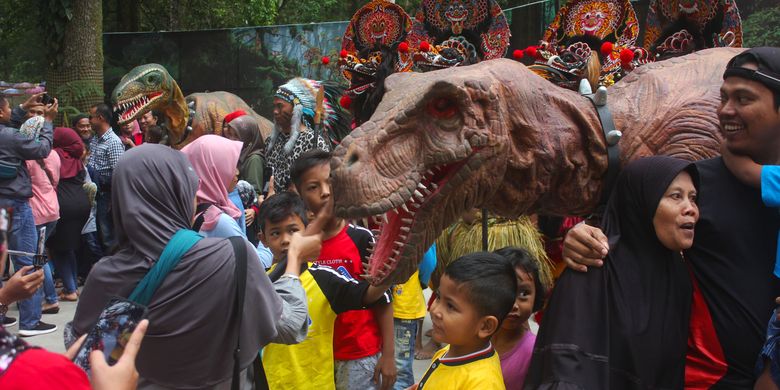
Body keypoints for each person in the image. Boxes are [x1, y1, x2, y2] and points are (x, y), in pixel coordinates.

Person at [561, 47, 780, 388]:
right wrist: (583, 240)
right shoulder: (692, 184)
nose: (725, 110)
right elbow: (627, 238)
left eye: (743, 99)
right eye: (723, 98)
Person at [67, 144, 309, 389]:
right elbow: (290, 326)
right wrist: (293, 264)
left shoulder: (103, 276)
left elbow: (83, 359)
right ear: (178, 194)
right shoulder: (231, 257)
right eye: (192, 189)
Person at [527, 156, 698, 389]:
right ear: (641, 201)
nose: (691, 209)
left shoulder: (677, 276)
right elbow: (567, 367)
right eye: (675, 196)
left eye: (693, 198)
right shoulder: (593, 265)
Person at [259, 191, 393, 389]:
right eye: (276, 233)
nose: (286, 240)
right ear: (263, 239)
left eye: (293, 230)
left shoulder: (325, 278)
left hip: (317, 384)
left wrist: (393, 271)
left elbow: (368, 295)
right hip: (272, 382)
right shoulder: (261, 282)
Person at [291, 149, 397, 390]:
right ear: (299, 193)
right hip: (314, 352)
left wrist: (389, 355)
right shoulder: (300, 244)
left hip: (359, 353)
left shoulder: (362, 239)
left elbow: (383, 299)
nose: (325, 192)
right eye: (313, 187)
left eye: (330, 182)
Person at [0, 92, 59, 336]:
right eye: (7, 107)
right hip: (15, 204)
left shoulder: (8, 135)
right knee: (28, 259)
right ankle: (31, 321)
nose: (11, 110)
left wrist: (23, 107)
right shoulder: (10, 137)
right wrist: (47, 121)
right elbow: (42, 149)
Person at [414, 252, 515, 390]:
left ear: (485, 326)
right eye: (438, 297)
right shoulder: (450, 349)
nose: (435, 310)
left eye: (450, 306)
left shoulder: (483, 384)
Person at [266, 78, 341, 191]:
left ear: (297, 109)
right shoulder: (270, 142)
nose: (275, 111)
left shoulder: (311, 140)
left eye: (280, 106)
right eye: (274, 106)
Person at [492, 247, 547, 390]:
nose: (514, 305)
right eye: (503, 292)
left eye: (524, 293)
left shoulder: (533, 351)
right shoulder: (474, 339)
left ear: (536, 297)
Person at [47, 127, 90, 302]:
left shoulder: (52, 155)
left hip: (62, 206)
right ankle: (71, 286)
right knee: (69, 247)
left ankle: (70, 289)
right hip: (81, 205)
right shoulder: (76, 158)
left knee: (58, 249)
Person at [23, 119, 61, 315]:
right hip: (53, 209)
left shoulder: (27, 158)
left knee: (38, 258)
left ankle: (51, 298)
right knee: (41, 251)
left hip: (37, 212)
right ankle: (47, 296)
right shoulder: (54, 154)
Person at [181, 134, 244, 238]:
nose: (236, 172)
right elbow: (252, 255)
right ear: (211, 170)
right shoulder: (218, 221)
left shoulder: (183, 210)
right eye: (229, 164)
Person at [392, 245, 436, 390]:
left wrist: (421, 282)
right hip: (398, 304)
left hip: (404, 306)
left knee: (401, 366)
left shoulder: (415, 229)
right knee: (397, 362)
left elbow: (428, 262)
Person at [86, 103, 123, 251]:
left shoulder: (113, 142)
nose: (89, 120)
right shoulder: (95, 139)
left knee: (107, 234)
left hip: (106, 195)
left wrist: (113, 200)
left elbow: (119, 172)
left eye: (91, 117)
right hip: (94, 193)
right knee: (97, 233)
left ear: (100, 118)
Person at [225, 114, 267, 242]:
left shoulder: (253, 159)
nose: (232, 139)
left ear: (247, 137)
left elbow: (256, 192)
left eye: (236, 136)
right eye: (230, 135)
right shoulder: (241, 155)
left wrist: (254, 209)